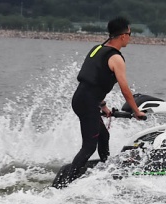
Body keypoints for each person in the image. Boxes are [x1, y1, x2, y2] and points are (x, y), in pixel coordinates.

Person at [59, 16, 146, 188]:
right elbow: (125, 89)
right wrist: (137, 111)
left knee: (103, 136)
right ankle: (64, 186)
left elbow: (94, 80)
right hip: (87, 102)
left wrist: (102, 105)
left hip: (81, 99)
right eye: (130, 33)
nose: (130, 37)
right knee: (89, 147)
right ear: (123, 36)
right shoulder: (116, 58)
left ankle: (106, 171)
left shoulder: (97, 49)